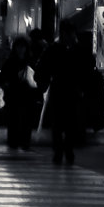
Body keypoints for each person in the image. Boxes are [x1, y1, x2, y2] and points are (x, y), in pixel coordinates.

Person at [35, 19, 94, 165]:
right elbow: (88, 70)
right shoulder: (77, 50)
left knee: (63, 123)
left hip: (63, 89)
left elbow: (42, 70)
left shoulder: (57, 50)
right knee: (66, 123)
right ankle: (64, 149)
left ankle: (62, 150)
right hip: (68, 90)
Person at [0, 36, 38, 152]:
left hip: (24, 94)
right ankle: (16, 142)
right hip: (16, 94)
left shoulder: (26, 61)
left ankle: (22, 142)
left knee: (24, 119)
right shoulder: (14, 61)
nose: (20, 49)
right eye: (18, 47)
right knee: (15, 119)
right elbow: (4, 77)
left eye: (22, 47)